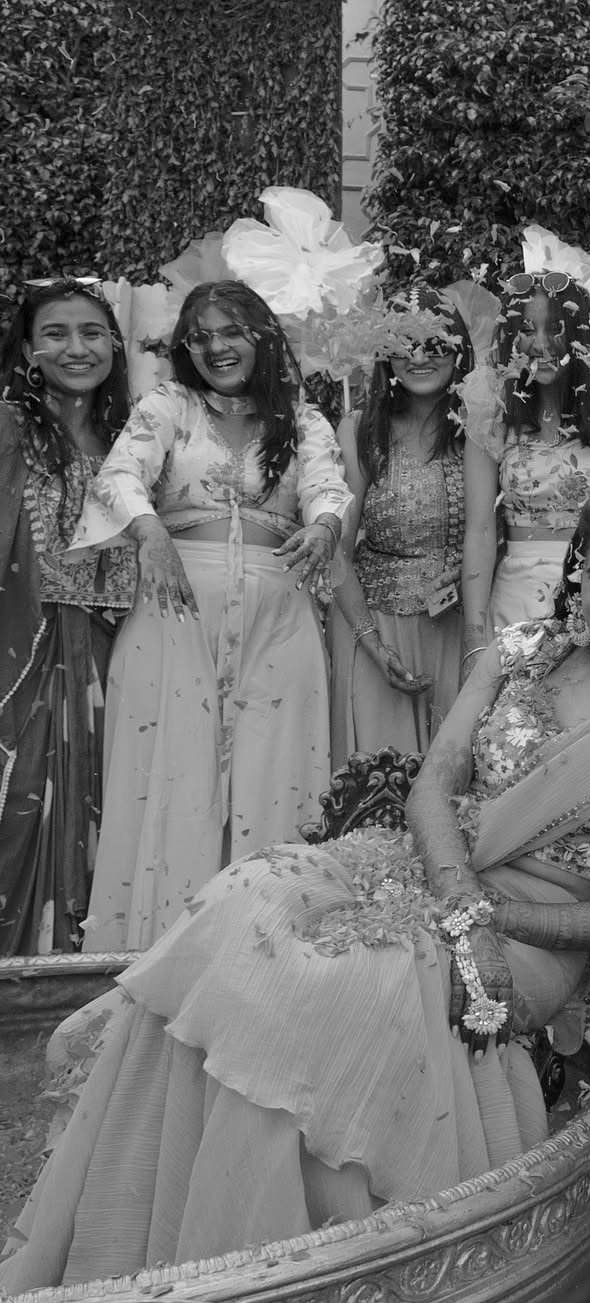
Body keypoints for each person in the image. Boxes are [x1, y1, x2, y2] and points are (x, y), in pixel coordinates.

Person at [0, 484, 590, 1292]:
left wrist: (484, 920)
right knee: (246, 902)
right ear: (575, 577)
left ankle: (308, 1272)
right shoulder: (521, 652)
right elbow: (433, 783)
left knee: (345, 987)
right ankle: (157, 1234)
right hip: (427, 867)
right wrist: (459, 905)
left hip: (536, 937)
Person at [71, 280, 352, 952]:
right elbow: (118, 476)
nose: (217, 346)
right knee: (173, 776)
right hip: (174, 614)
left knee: (274, 776)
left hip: (278, 624)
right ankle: (157, 954)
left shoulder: (302, 420)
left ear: (262, 334)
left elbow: (327, 485)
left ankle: (265, 952)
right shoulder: (169, 406)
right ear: (185, 347)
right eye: (201, 335)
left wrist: (324, 527)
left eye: (231, 330)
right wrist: (150, 531)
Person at [0, 279, 134, 954]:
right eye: (55, 332)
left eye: (92, 332)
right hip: (27, 653)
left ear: (115, 343)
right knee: (22, 807)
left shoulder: (134, 434)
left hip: (124, 655)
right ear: (26, 349)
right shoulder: (9, 428)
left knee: (118, 802)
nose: (76, 347)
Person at [330, 287, 496, 762]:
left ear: (459, 349)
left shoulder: (479, 428)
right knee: (376, 779)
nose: (418, 357)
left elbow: (497, 528)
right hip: (372, 623)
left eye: (434, 342)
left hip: (459, 624)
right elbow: (339, 547)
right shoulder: (361, 428)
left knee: (453, 775)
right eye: (404, 344)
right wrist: (370, 641)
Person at [471, 272, 590, 638]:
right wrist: (473, 633)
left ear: (581, 334)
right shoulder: (491, 415)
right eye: (526, 329)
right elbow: (479, 530)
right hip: (515, 603)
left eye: (556, 328)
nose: (541, 344)